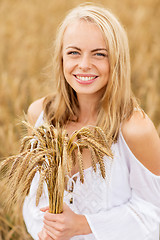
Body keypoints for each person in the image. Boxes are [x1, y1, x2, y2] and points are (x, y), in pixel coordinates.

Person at [22, 3, 160, 240]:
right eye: (74, 52)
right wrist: (45, 230)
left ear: (116, 60)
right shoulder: (41, 116)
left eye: (99, 54)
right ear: (61, 58)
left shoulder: (135, 129)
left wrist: (83, 225)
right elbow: (32, 198)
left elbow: (154, 214)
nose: (84, 64)